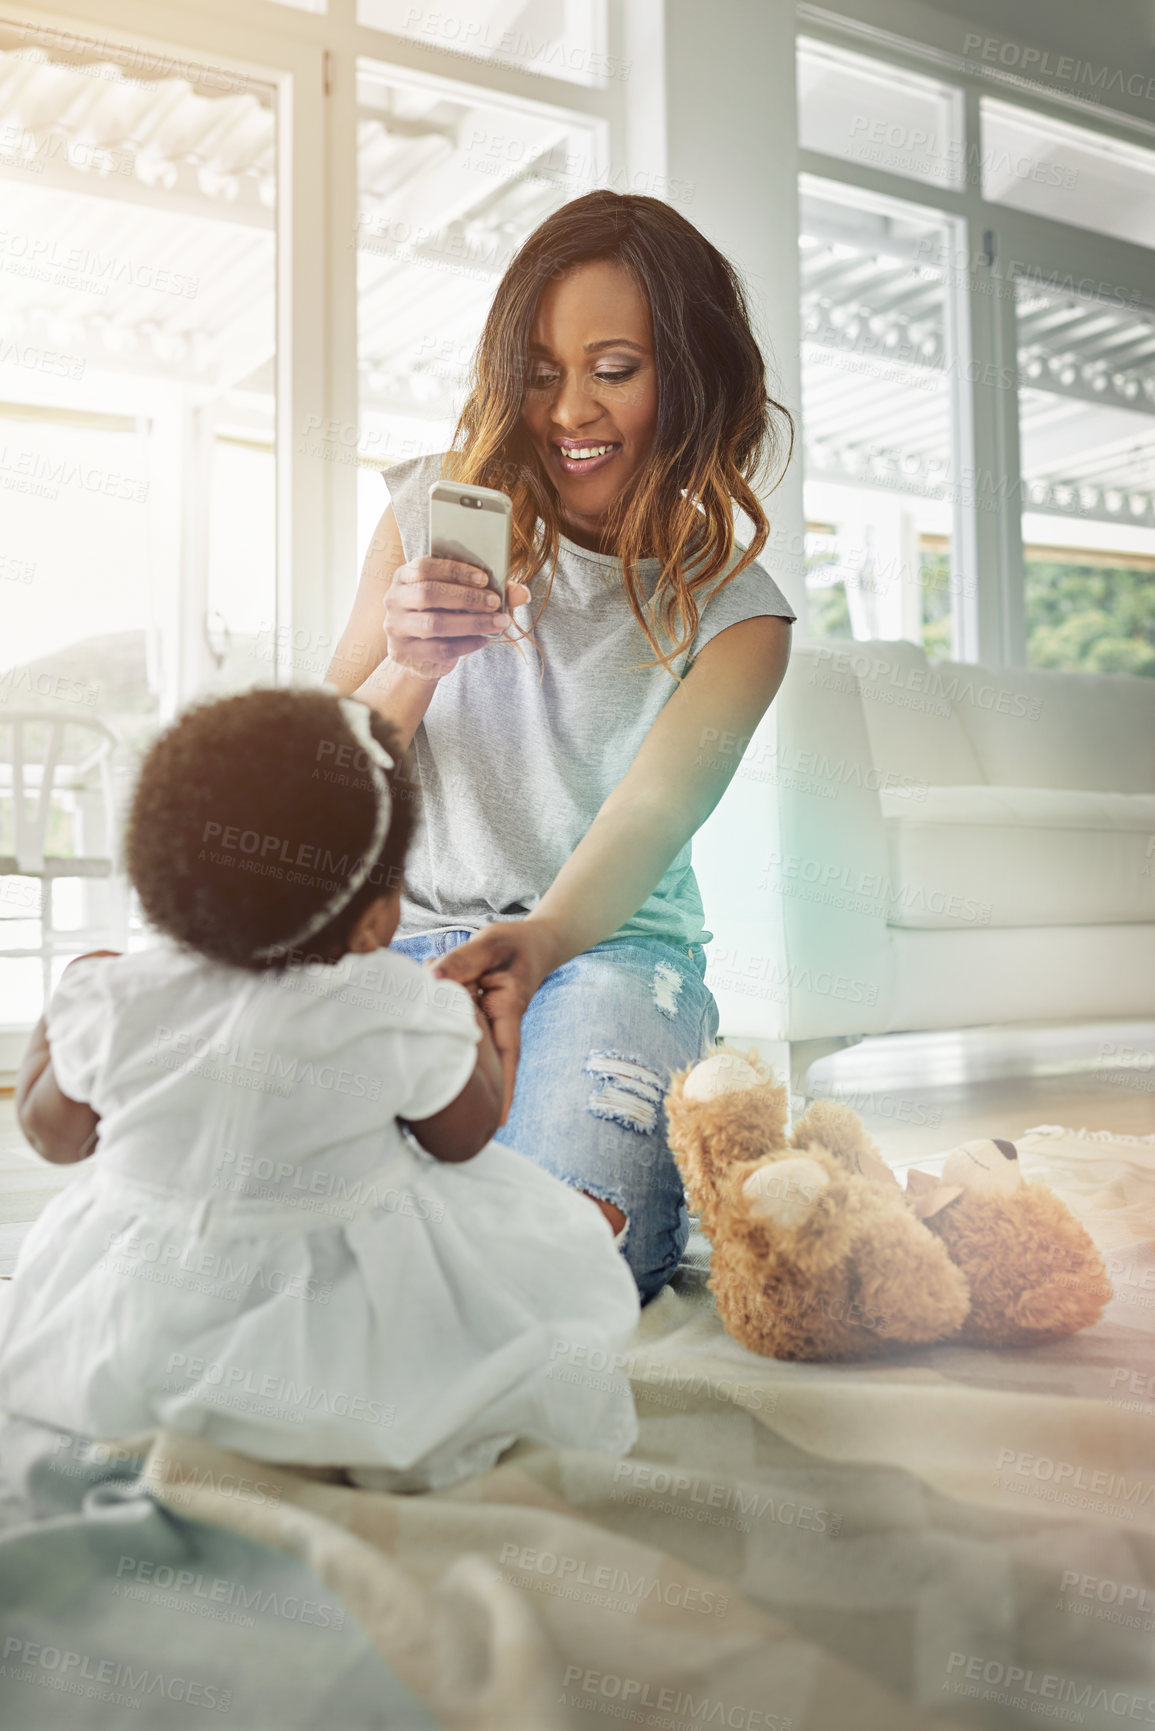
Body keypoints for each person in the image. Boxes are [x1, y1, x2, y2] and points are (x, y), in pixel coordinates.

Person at [327, 191, 796, 1307]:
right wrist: (411, 663)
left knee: (568, 1241)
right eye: (540, 370)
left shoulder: (739, 617)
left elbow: (645, 819)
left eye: (615, 368)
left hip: (605, 958)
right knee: (242, 1177)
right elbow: (315, 780)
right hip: (399, 945)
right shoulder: (425, 512)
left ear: (689, 377)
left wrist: (536, 945)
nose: (570, 409)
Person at [0, 687, 641, 1492]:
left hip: (124, 1330)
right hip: (330, 1333)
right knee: (525, 1249)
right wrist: (473, 1031)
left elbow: (54, 1135)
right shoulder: (393, 1004)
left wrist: (67, 1006)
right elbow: (463, 1136)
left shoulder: (117, 996)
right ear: (375, 919)